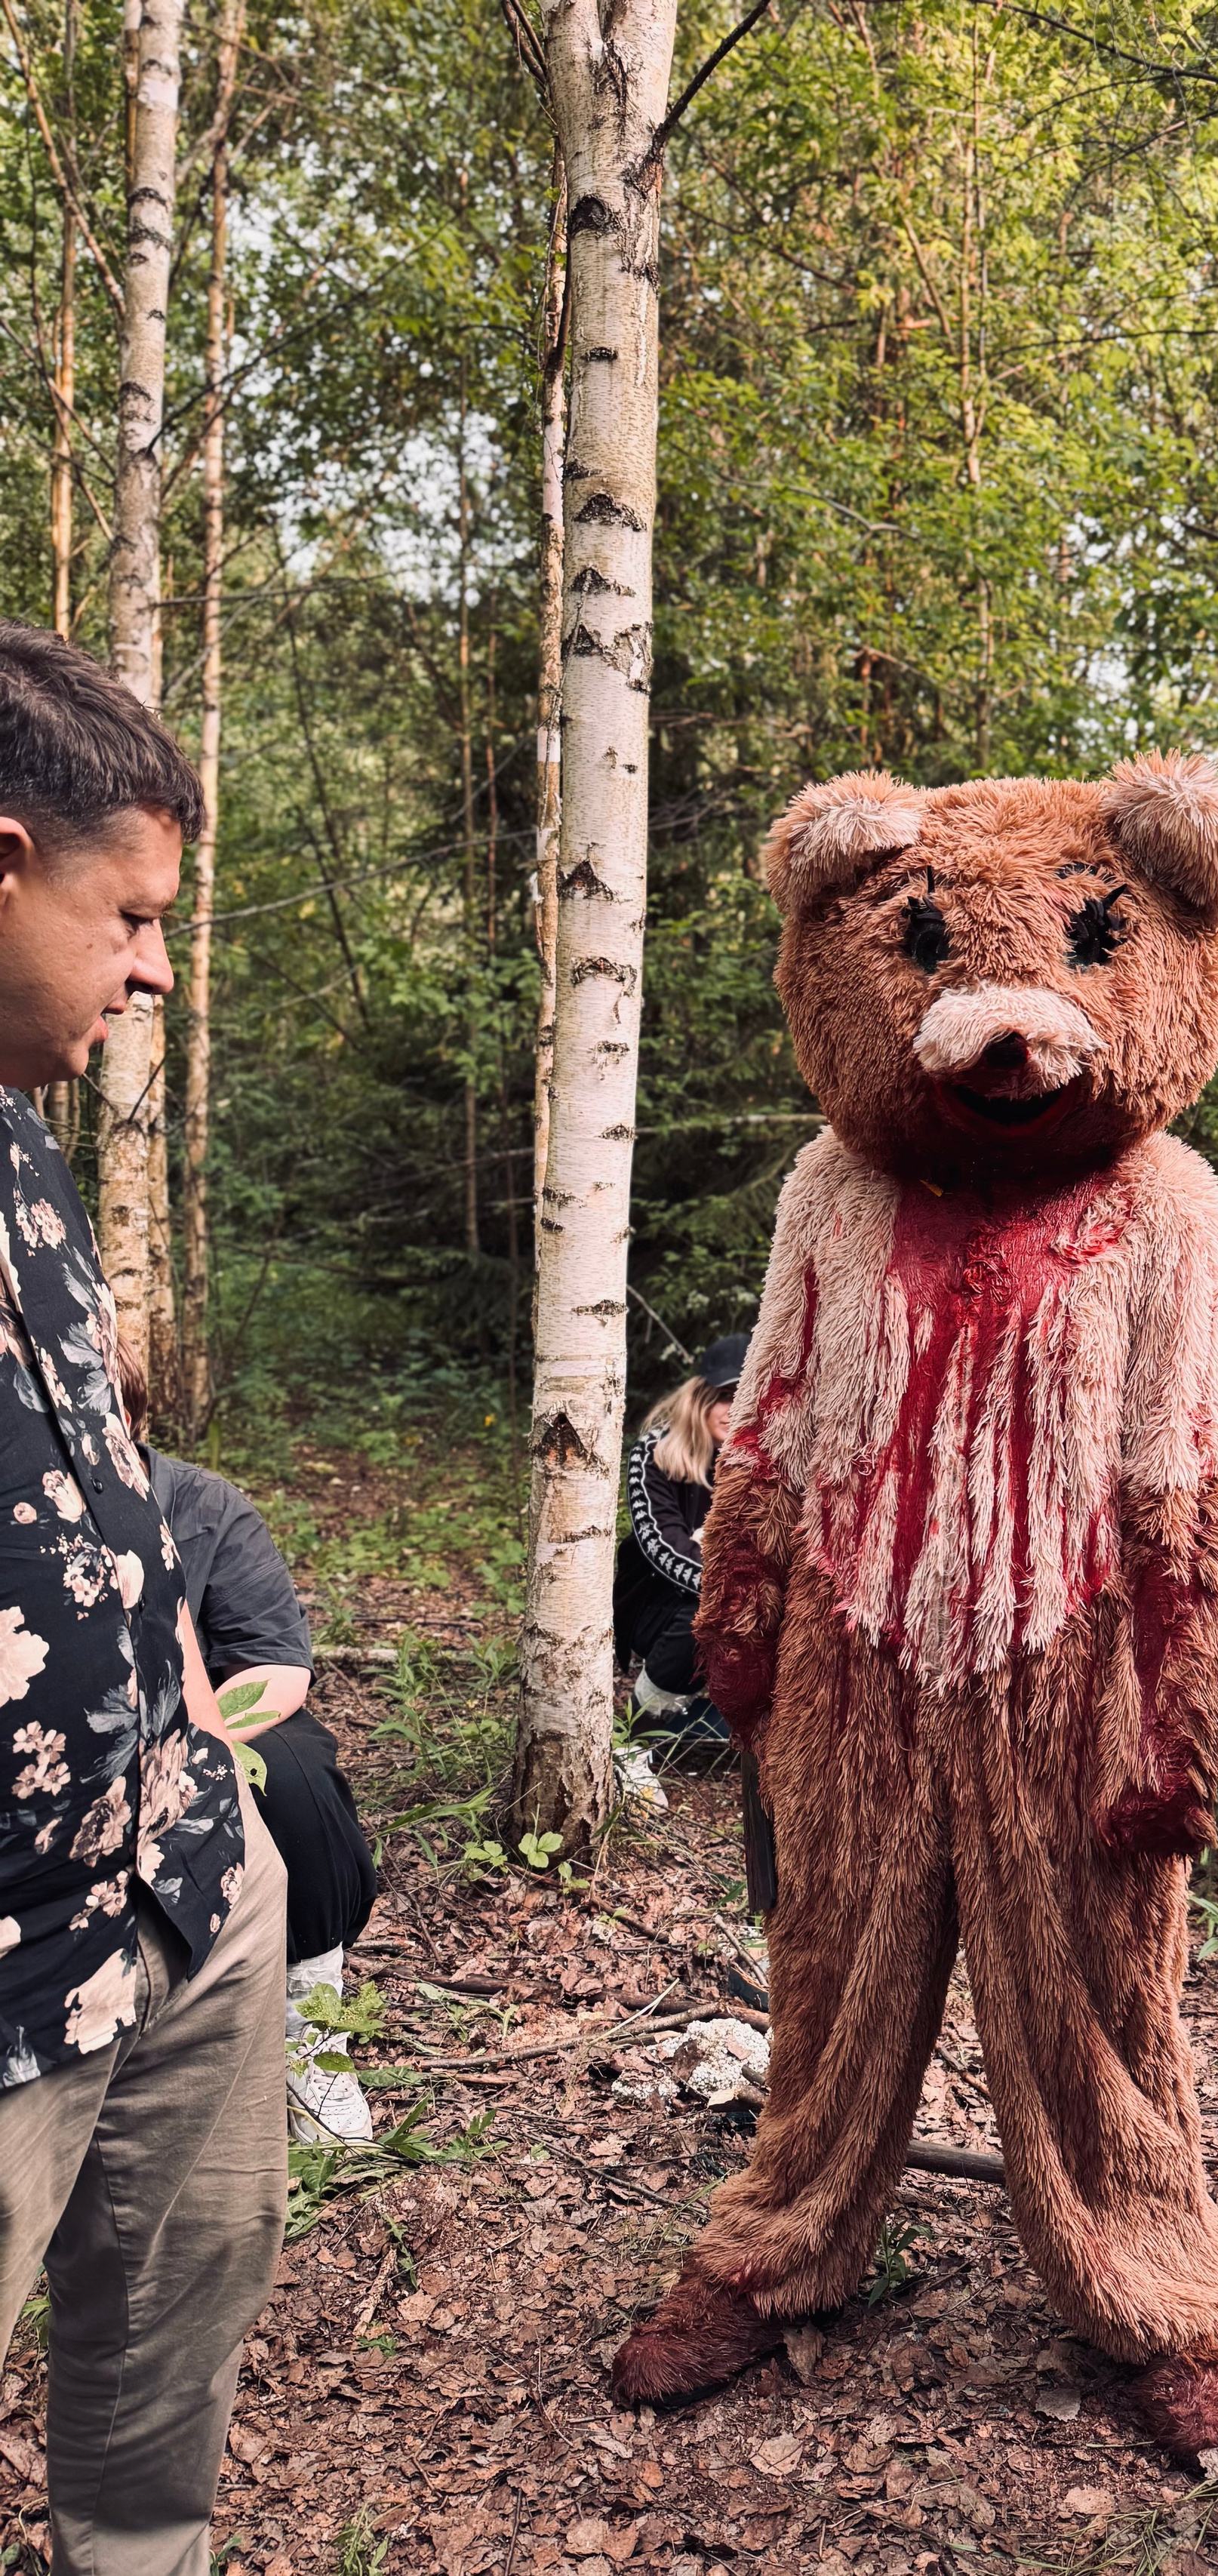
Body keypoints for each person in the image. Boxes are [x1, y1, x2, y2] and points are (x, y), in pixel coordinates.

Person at [0, 620, 288, 2568]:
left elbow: (91, 1472)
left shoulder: (26, 1138)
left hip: (179, 1883)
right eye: (133, 912)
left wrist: (196, 1674)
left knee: (151, 2423)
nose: (157, 962)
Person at [114, 1345, 379, 2141]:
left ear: (137, 1419)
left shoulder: (201, 1505)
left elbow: (273, 1660)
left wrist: (189, 1743)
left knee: (297, 1773)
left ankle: (312, 2034)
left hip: (202, 1718)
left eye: (107, 1416)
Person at [614, 1334, 747, 1759]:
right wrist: (737, 1585)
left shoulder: (765, 1459)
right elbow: (663, 1549)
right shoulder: (656, 1453)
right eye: (725, 1397)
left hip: (739, 1600)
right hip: (656, 1605)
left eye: (747, 1396)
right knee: (705, 1614)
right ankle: (632, 1744)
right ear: (700, 1397)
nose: (735, 1410)